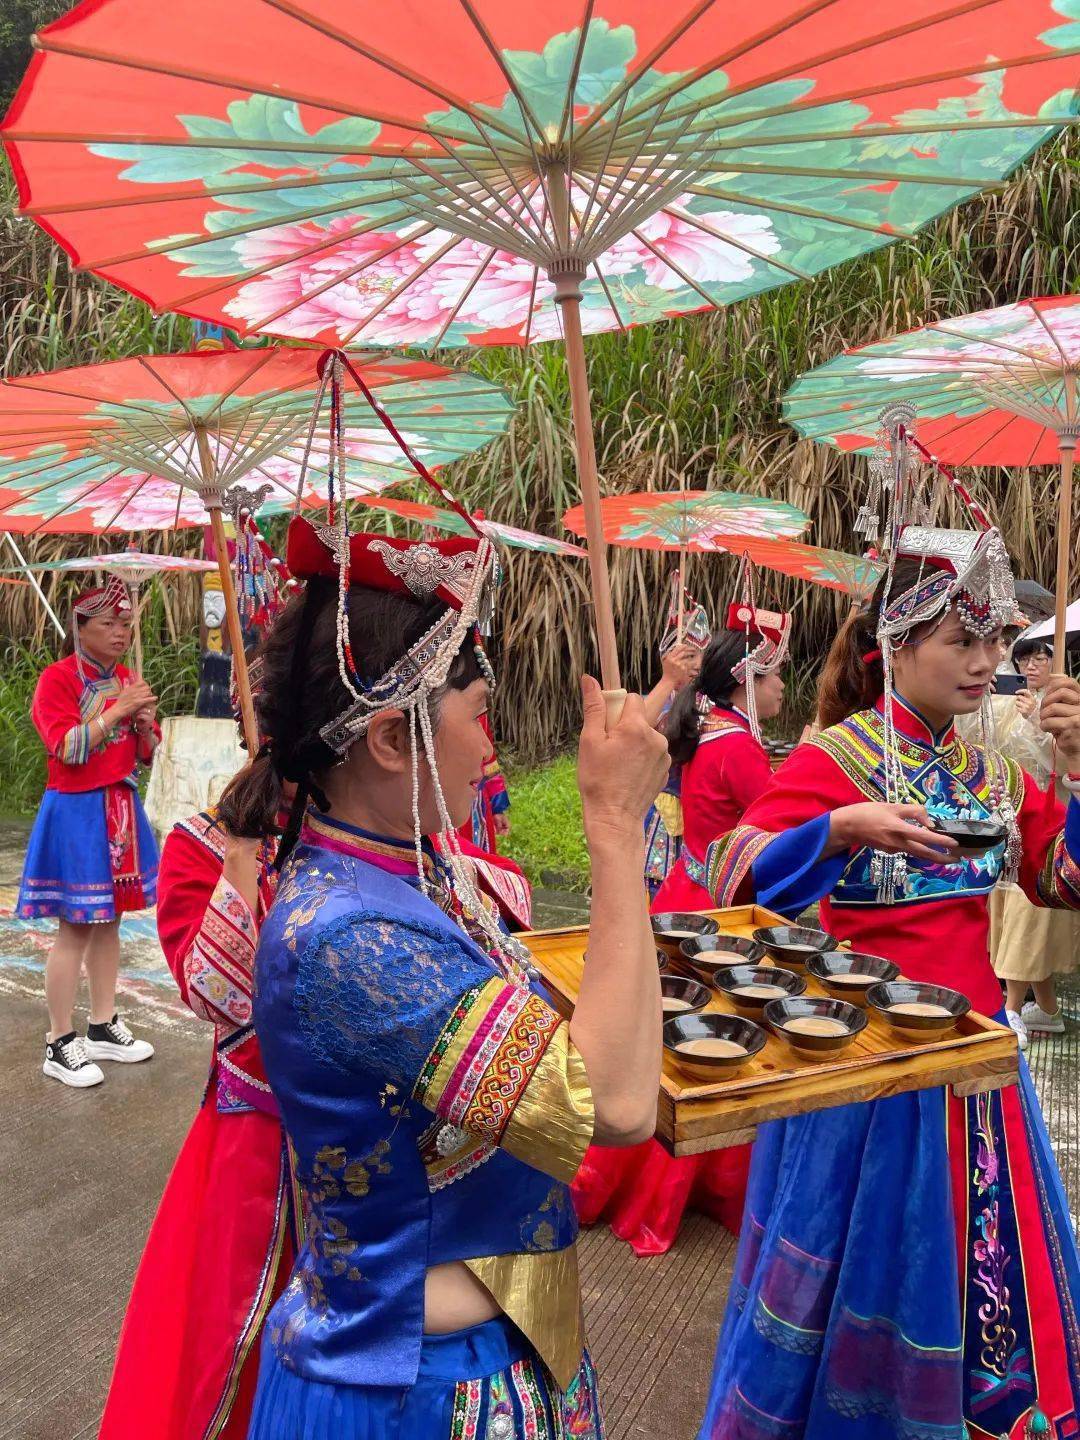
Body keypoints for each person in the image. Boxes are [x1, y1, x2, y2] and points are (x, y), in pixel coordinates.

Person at [223, 514, 668, 1435]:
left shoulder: (410, 871)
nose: (489, 746)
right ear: (392, 740)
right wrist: (616, 828)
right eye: (479, 713)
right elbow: (615, 1105)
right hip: (418, 1394)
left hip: (488, 1357)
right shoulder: (349, 941)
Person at [698, 528, 1080, 1439]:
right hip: (864, 1064)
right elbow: (728, 871)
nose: (988, 662)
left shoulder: (994, 771)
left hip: (978, 1061)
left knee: (979, 1265)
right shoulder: (838, 758)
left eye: (995, 640)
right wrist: (838, 830)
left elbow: (1061, 878)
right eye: (963, 641)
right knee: (867, 1261)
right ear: (895, 644)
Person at [572, 624, 785, 1254]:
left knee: (667, 1045)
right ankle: (677, 1189)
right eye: (773, 677)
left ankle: (635, 1177)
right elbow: (778, 823)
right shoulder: (741, 748)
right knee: (709, 1055)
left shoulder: (704, 729)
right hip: (719, 914)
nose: (780, 689)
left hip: (681, 897)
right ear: (747, 679)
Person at [98, 802, 293, 1440]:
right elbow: (217, 994)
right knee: (225, 1345)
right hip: (256, 1139)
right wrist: (241, 853)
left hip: (381, 1140)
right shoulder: (203, 841)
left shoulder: (383, 821)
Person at [17, 577, 159, 1088]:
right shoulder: (57, 681)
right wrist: (119, 709)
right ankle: (58, 1040)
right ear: (80, 628)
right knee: (75, 926)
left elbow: (142, 758)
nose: (120, 633)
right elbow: (67, 750)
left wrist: (143, 724)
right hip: (76, 813)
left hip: (120, 810)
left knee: (111, 921)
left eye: (125, 624)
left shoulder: (127, 676)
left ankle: (101, 1024)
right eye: (108, 624)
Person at [989, 635, 1079, 1036]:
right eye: (1026, 658)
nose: (1033, 666)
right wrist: (985, 703)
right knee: (1011, 919)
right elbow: (987, 745)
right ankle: (1047, 1010)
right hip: (1008, 818)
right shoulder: (1011, 701)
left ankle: (1008, 1009)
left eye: (1042, 658)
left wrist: (1036, 722)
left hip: (1051, 821)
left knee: (1030, 918)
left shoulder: (1067, 706)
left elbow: (1061, 763)